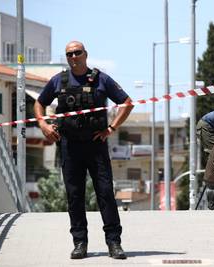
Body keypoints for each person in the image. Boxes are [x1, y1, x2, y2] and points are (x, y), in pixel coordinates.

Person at [34, 41, 133, 260]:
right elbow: (39, 104)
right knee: (75, 196)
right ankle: (80, 243)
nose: (74, 56)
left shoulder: (101, 79)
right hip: (69, 146)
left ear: (85, 54)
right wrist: (43, 125)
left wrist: (111, 128)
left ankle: (114, 243)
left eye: (77, 52)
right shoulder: (59, 80)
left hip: (96, 145)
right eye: (69, 54)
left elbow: (127, 103)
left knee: (105, 194)